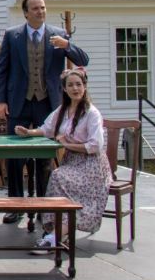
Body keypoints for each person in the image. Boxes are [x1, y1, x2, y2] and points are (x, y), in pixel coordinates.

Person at [0, 0, 89, 224]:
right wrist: (1, 101)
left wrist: (67, 45)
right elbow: (2, 70)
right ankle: (15, 205)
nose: (40, 11)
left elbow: (83, 60)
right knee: (15, 156)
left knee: (44, 157)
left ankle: (43, 205)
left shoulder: (58, 35)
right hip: (19, 101)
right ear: (26, 12)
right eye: (35, 8)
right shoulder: (12, 36)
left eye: (43, 8)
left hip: (48, 104)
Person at [14, 67, 111, 254]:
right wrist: (28, 132)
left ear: (85, 86)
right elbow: (47, 129)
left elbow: (95, 145)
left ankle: (53, 237)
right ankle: (55, 234)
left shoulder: (92, 113)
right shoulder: (63, 110)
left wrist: (67, 145)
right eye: (70, 85)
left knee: (57, 176)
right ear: (64, 89)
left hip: (91, 166)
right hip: (71, 163)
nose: (75, 88)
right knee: (58, 178)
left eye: (79, 84)